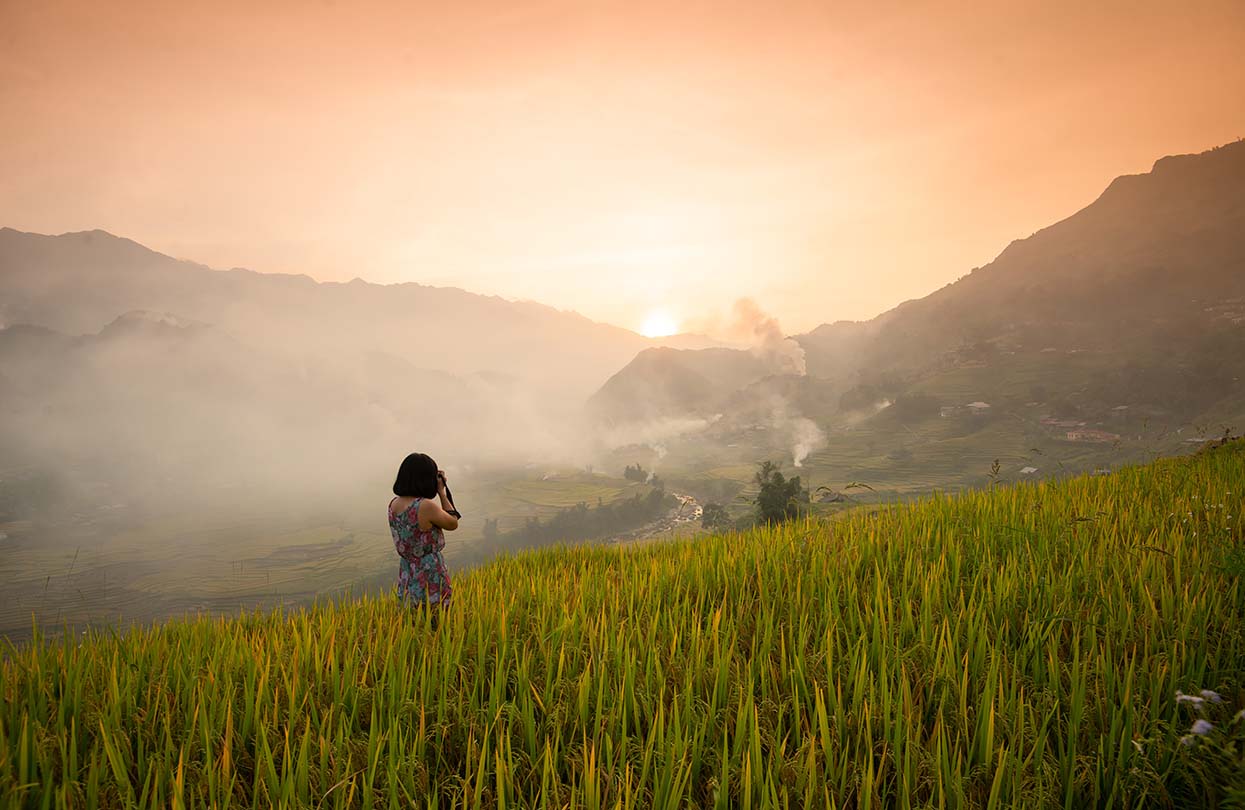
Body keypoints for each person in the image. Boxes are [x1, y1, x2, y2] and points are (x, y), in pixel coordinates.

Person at [388, 452, 458, 620]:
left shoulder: (393, 504)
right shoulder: (425, 506)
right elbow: (452, 523)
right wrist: (442, 492)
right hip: (429, 570)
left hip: (407, 570)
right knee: (438, 619)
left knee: (414, 619)